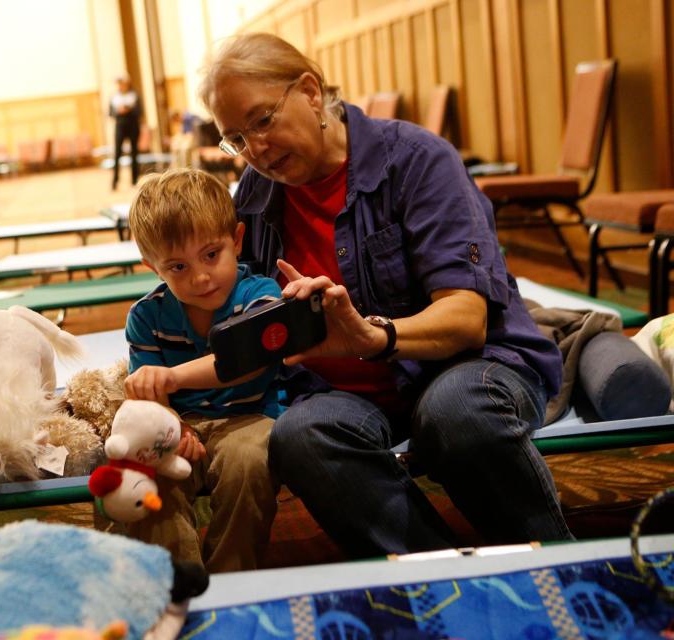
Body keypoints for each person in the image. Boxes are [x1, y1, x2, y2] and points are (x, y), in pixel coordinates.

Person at [197, 33, 573, 559]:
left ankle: (561, 570)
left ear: (309, 91)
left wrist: (375, 337)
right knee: (300, 436)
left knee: (455, 414)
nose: (255, 150)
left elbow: (467, 319)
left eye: (262, 120)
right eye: (235, 138)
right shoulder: (255, 197)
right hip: (341, 395)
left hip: (469, 366)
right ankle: (440, 582)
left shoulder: (417, 160)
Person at [120, 167, 283, 572]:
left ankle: (232, 575)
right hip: (182, 424)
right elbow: (150, 398)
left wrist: (173, 377)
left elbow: (246, 362)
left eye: (212, 255)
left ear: (237, 240)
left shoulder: (259, 296)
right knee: (147, 473)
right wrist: (174, 427)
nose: (201, 276)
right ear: (153, 268)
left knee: (248, 462)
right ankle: (176, 577)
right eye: (177, 267)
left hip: (250, 418)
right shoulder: (146, 316)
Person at [109, 74, 142, 190]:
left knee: (134, 154)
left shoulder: (134, 95)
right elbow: (110, 113)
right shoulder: (114, 97)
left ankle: (134, 180)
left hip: (133, 126)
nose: (120, 86)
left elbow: (139, 112)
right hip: (120, 126)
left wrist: (128, 110)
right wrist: (119, 112)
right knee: (117, 153)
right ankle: (115, 181)